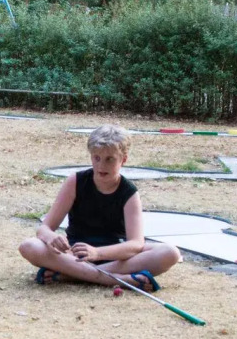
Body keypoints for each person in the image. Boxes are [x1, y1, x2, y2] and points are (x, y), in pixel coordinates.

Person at [17, 124, 181, 289]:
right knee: (29, 246)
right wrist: (51, 237)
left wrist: (97, 253)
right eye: (97, 158)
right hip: (74, 255)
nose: (102, 165)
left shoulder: (129, 193)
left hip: (115, 257)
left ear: (123, 160)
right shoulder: (75, 181)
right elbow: (44, 229)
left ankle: (70, 275)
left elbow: (136, 244)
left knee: (170, 253)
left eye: (110, 159)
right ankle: (117, 280)